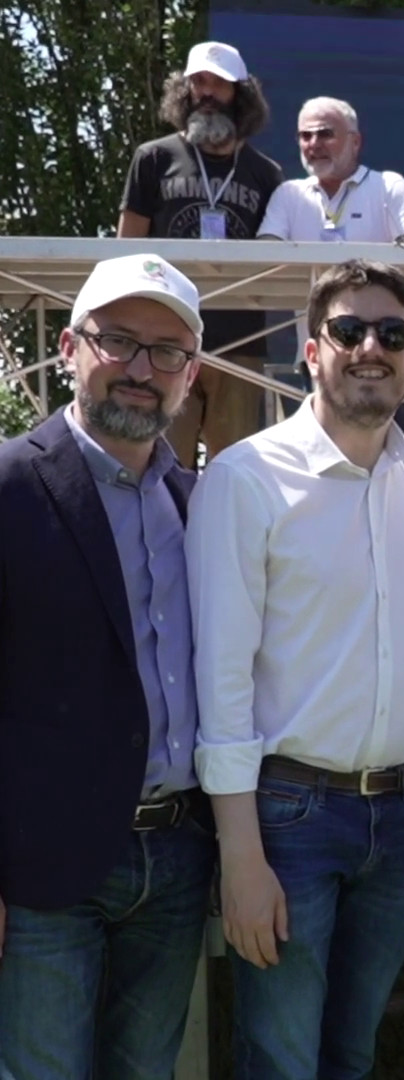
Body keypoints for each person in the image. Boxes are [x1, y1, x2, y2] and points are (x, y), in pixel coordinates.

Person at [187, 259, 404, 1079]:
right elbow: (219, 682)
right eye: (349, 330)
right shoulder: (244, 479)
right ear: (310, 350)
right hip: (286, 819)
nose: (371, 347)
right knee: (282, 1059)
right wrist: (241, 858)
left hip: (399, 819)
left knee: (352, 1052)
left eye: (392, 333)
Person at [0, 254, 211, 1079]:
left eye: (166, 352)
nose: (140, 369)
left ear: (190, 373)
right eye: (118, 341)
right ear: (68, 349)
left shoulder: (195, 501)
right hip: (45, 865)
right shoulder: (12, 484)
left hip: (176, 857)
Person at [119, 41, 284, 468]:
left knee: (239, 470)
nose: (206, 92)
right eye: (198, 82)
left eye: (218, 84)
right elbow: (126, 251)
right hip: (167, 339)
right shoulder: (153, 158)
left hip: (241, 341)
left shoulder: (266, 174)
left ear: (240, 94)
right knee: (162, 465)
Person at [259, 97, 404, 244]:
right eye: (306, 136)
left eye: (325, 134)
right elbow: (263, 260)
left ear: (355, 142)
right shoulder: (288, 194)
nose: (314, 144)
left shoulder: (389, 188)